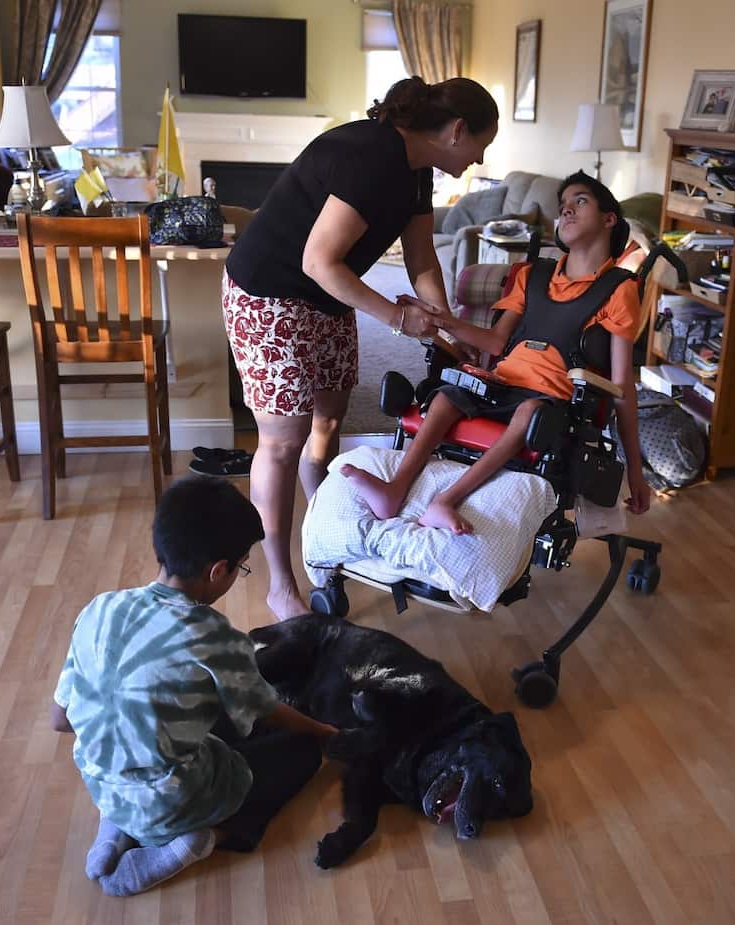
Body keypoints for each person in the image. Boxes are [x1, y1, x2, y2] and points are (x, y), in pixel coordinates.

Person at [221, 76, 500, 620]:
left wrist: (446, 332)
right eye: (481, 144)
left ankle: (323, 539)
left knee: (328, 420)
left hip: (327, 296)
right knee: (283, 441)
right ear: (456, 130)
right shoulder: (371, 156)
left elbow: (421, 258)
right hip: (269, 293)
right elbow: (317, 260)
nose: (481, 158)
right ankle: (281, 584)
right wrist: (397, 317)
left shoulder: (418, 168)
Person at [50, 477, 338, 897]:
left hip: (102, 787)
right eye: (241, 568)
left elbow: (60, 719)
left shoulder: (101, 608)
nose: (237, 575)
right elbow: (265, 711)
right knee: (299, 753)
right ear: (217, 571)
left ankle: (115, 828)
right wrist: (325, 732)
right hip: (175, 804)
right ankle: (203, 839)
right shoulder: (212, 635)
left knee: (154, 729)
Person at [343, 172, 652, 534]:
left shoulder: (619, 290)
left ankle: (445, 501)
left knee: (529, 411)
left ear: (609, 219)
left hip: (549, 401)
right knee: (445, 397)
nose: (566, 210)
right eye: (563, 205)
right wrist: (442, 321)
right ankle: (393, 490)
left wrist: (635, 470)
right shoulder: (533, 275)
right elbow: (495, 342)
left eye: (580, 201)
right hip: (501, 384)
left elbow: (622, 387)